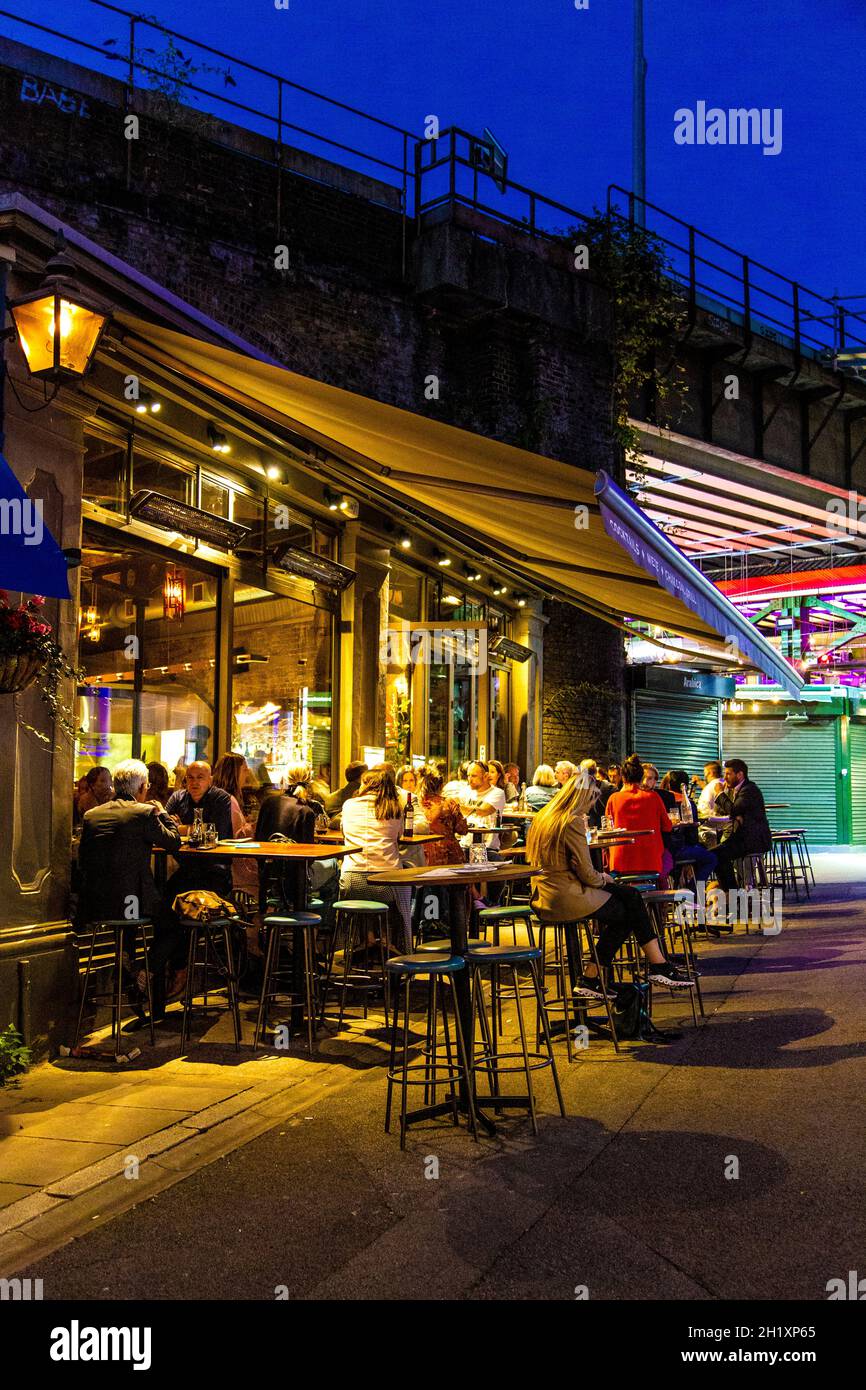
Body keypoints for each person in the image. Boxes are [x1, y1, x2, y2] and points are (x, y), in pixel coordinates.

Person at [528, 770, 694, 997]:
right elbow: (587, 873)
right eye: (590, 802)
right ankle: (652, 966)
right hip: (567, 895)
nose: (589, 809)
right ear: (583, 798)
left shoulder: (543, 817)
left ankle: (598, 976)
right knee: (630, 905)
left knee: (630, 901)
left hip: (545, 893)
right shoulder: (572, 821)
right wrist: (604, 878)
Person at [78, 759, 182, 1020]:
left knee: (128, 920)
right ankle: (144, 972)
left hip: (97, 904)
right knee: (172, 925)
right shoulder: (143, 813)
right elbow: (173, 842)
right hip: (132, 902)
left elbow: (83, 858)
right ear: (142, 787)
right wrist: (161, 812)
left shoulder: (92, 815)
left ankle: (126, 965)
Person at [339, 764, 412, 952]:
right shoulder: (395, 808)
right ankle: (392, 942)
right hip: (386, 882)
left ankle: (366, 939)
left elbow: (343, 831)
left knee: (364, 894)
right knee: (403, 884)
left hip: (352, 882)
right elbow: (399, 836)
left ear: (366, 784)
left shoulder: (348, 805)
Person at [606, 754, 672, 879]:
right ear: (641, 777)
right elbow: (667, 827)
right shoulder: (653, 797)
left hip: (621, 863)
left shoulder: (613, 799)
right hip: (651, 862)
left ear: (623, 777)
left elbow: (608, 829)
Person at [712, 758, 772, 893]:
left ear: (740, 775)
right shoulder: (736, 790)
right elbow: (729, 810)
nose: (725, 778)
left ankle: (732, 894)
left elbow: (733, 810)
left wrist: (719, 794)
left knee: (716, 855)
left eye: (728, 774)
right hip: (742, 838)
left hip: (753, 841)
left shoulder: (749, 790)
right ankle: (731, 892)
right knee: (715, 854)